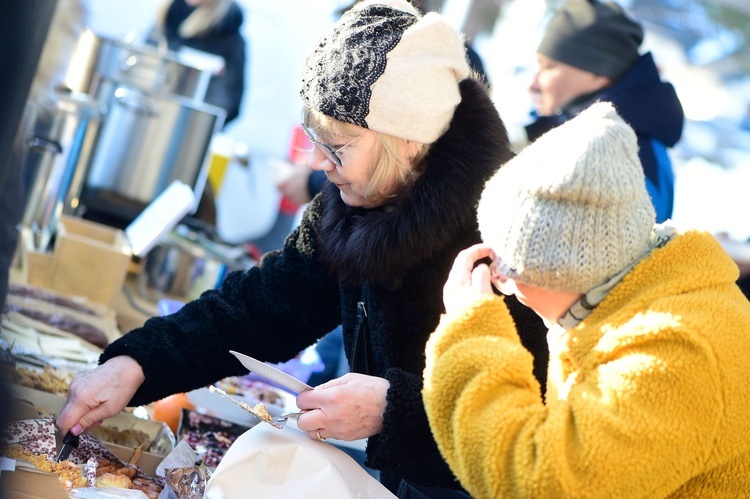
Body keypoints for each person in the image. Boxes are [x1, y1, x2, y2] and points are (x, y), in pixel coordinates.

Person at [56, 1, 549, 495]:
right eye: (314, 139)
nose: (318, 163)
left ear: (408, 142)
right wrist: (137, 363)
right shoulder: (352, 201)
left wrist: (395, 411)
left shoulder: (505, 236)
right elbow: (260, 306)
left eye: (336, 148)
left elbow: (535, 426)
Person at [422, 102, 750, 498]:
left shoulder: (670, 355)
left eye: (505, 264)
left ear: (564, 271)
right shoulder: (633, 300)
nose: (497, 277)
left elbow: (536, 483)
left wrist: (470, 329)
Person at [526, 0, 683, 223]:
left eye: (549, 67)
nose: (532, 84)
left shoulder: (628, 155)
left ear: (599, 73)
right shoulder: (582, 127)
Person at [152, 0, 246, 125]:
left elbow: (228, 103)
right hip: (148, 116)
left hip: (186, 127)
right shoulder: (167, 16)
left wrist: (195, 128)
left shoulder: (229, 35)